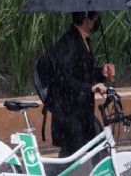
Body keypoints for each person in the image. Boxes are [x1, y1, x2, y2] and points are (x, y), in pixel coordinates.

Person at [47, 11, 115, 158]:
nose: (98, 22)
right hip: (69, 114)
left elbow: (84, 74)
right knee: (69, 159)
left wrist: (101, 73)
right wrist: (90, 87)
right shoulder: (69, 43)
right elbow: (63, 79)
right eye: (96, 18)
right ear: (86, 20)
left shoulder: (83, 41)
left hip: (81, 112)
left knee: (100, 151)